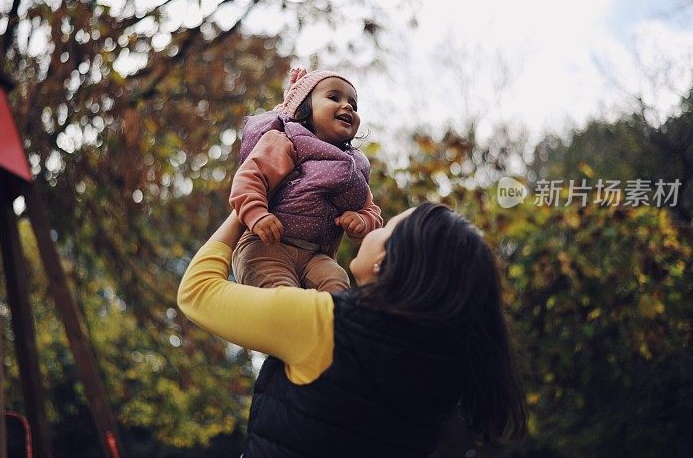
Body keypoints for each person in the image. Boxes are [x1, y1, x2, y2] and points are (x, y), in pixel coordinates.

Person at [177, 202, 527, 457]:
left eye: (386, 227)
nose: (376, 229)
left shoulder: (324, 325)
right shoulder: (444, 378)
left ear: (386, 259)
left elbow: (197, 292)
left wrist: (245, 206)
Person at [229, 67, 382, 293]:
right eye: (333, 97)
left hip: (316, 256)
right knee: (281, 293)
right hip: (268, 245)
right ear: (305, 109)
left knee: (336, 281)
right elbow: (251, 177)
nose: (347, 106)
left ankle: (331, 325)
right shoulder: (286, 140)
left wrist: (361, 221)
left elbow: (370, 209)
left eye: (354, 104)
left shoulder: (354, 165)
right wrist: (257, 214)